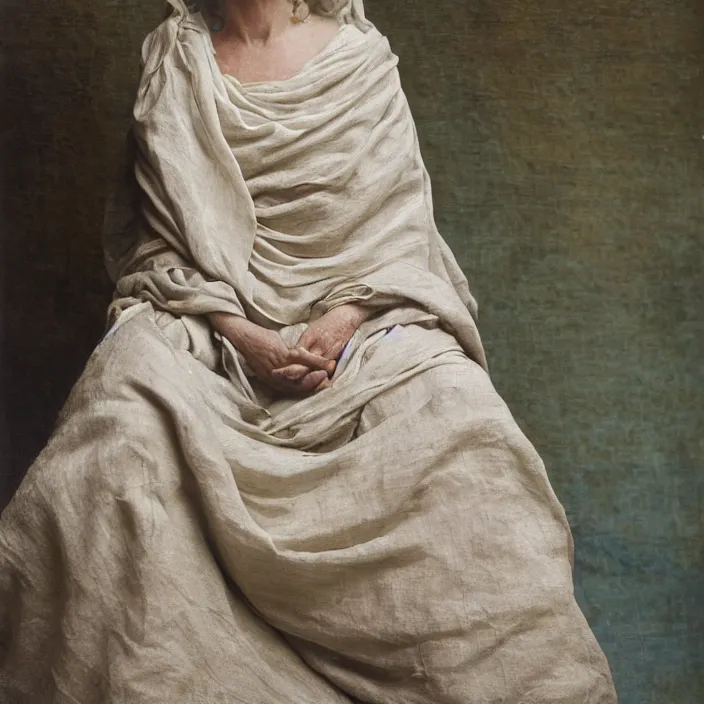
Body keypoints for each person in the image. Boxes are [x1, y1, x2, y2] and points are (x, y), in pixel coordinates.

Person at [0, 1, 618, 701]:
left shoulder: (360, 58)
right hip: (214, 328)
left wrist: (343, 319)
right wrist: (243, 333)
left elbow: (400, 234)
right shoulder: (176, 58)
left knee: (459, 420)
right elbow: (159, 246)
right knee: (116, 425)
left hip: (360, 329)